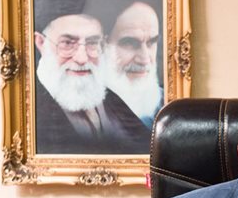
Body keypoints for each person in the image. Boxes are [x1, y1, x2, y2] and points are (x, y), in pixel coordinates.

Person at [34, 12, 151, 154]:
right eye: (67, 43)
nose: (82, 58)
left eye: (92, 43)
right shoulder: (29, 112)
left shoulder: (110, 98)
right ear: (41, 43)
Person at [83, 0, 164, 128]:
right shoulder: (76, 113)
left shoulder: (168, 106)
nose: (145, 59)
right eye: (130, 43)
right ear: (98, 46)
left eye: (151, 43)